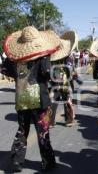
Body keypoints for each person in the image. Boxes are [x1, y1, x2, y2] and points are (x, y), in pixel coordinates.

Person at [3, 26, 60, 172]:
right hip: (40, 100)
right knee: (43, 132)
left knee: (22, 130)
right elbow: (47, 73)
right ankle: (48, 163)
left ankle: (16, 161)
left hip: (22, 98)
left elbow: (5, 70)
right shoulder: (43, 56)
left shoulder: (13, 59)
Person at [49, 30, 78, 127]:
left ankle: (51, 122)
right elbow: (70, 70)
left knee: (53, 101)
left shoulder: (53, 58)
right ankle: (69, 120)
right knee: (67, 100)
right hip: (65, 82)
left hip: (55, 81)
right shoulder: (69, 58)